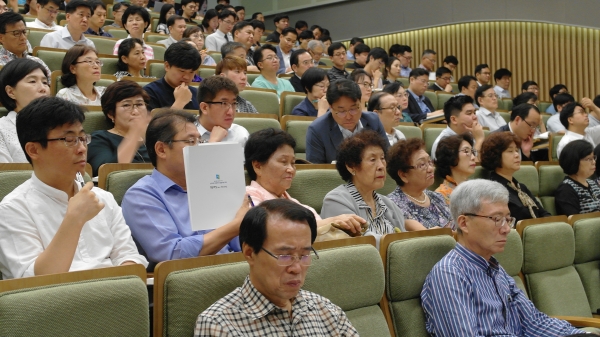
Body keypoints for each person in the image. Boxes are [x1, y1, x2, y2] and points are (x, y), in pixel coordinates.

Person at [0, 97, 148, 279]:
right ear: (34, 150)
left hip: (114, 297)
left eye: (83, 138)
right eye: (69, 139)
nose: (81, 148)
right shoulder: (13, 208)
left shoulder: (102, 198)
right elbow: (32, 284)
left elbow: (129, 255)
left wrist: (124, 275)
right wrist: (74, 219)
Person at [421, 179, 586, 336]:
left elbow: (534, 322)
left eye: (508, 219)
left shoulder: (495, 268)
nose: (506, 229)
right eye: (497, 219)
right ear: (464, 223)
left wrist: (578, 335)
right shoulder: (449, 275)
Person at [193, 198, 359, 336]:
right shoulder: (219, 325)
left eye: (304, 256)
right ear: (250, 253)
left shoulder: (325, 310)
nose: (296, 268)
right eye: (285, 256)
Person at [121, 110, 249, 270]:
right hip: (190, 284)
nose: (198, 149)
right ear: (161, 149)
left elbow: (244, 244)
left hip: (235, 271)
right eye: (190, 142)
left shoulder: (213, 185)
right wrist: (235, 226)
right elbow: (171, 253)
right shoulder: (141, 195)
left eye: (199, 142)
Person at [245, 128, 366, 233]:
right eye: (283, 162)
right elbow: (272, 232)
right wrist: (332, 221)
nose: (291, 169)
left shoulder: (298, 205)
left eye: (293, 163)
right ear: (258, 166)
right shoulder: (247, 198)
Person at [321, 131, 409, 246]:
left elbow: (405, 241)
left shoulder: (389, 204)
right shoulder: (335, 201)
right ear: (351, 166)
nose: (381, 166)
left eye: (382, 158)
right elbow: (362, 245)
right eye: (373, 160)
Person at [306, 79, 387, 164]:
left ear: (360, 102)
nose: (348, 117)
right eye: (341, 111)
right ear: (330, 107)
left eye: (353, 109)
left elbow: (386, 157)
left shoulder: (373, 120)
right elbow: (317, 171)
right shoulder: (317, 130)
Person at [387, 138, 455, 230]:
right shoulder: (393, 205)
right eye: (422, 164)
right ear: (403, 175)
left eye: (429, 162)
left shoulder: (437, 197)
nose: (431, 169)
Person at [481, 131, 551, 221]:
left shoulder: (521, 187)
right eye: (510, 151)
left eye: (517, 150)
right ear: (496, 156)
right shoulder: (493, 190)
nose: (517, 155)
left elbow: (543, 213)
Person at [87, 80, 150, 176]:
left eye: (140, 104)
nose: (136, 111)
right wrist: (134, 134)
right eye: (126, 105)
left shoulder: (153, 139)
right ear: (111, 114)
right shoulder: (99, 138)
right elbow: (106, 172)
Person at [0, 59, 49, 163]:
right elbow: (5, 176)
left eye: (45, 82)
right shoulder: (2, 129)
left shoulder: (61, 125)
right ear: (11, 92)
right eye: (32, 81)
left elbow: (76, 173)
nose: (43, 88)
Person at [144, 42, 201, 110]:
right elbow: (153, 120)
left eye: (191, 72)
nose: (187, 77)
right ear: (167, 66)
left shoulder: (197, 94)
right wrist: (180, 102)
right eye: (182, 71)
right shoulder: (149, 93)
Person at [197, 76, 249, 145]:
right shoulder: (186, 135)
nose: (231, 112)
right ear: (204, 108)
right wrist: (213, 142)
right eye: (224, 104)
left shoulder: (240, 135)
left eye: (233, 104)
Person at [0, 12, 51, 80]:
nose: (23, 37)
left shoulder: (37, 61)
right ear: (1, 38)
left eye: (24, 32)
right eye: (16, 33)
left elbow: (50, 86)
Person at [555, 140, 600, 216]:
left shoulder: (593, 184)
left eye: (593, 158)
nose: (594, 162)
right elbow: (574, 221)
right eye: (588, 159)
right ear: (574, 161)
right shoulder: (566, 189)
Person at [431, 95, 483, 161]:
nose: (475, 117)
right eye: (469, 113)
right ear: (454, 120)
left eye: (474, 113)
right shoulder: (443, 143)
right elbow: (472, 166)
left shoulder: (470, 134)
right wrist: (479, 140)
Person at [434, 133, 477, 204]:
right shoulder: (440, 196)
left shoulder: (476, 188)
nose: (473, 157)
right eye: (466, 151)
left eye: (472, 152)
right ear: (451, 157)